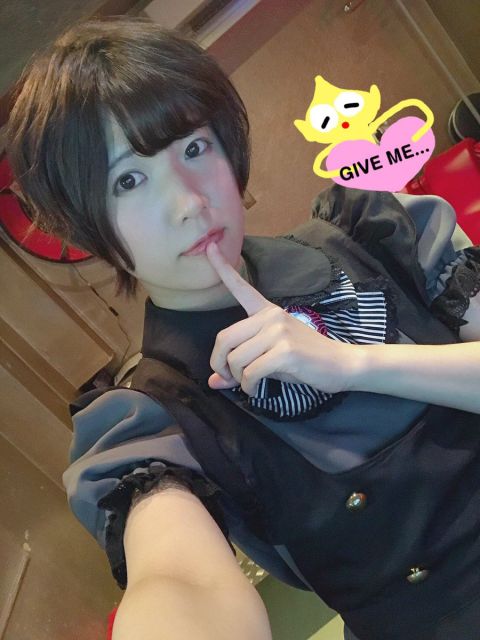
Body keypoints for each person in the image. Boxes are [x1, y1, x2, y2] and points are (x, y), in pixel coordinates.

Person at [5, 16, 480, 640]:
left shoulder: (377, 232)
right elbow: (178, 580)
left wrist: (353, 362)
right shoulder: (150, 419)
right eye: (128, 180)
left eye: (194, 148)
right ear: (85, 226)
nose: (189, 202)